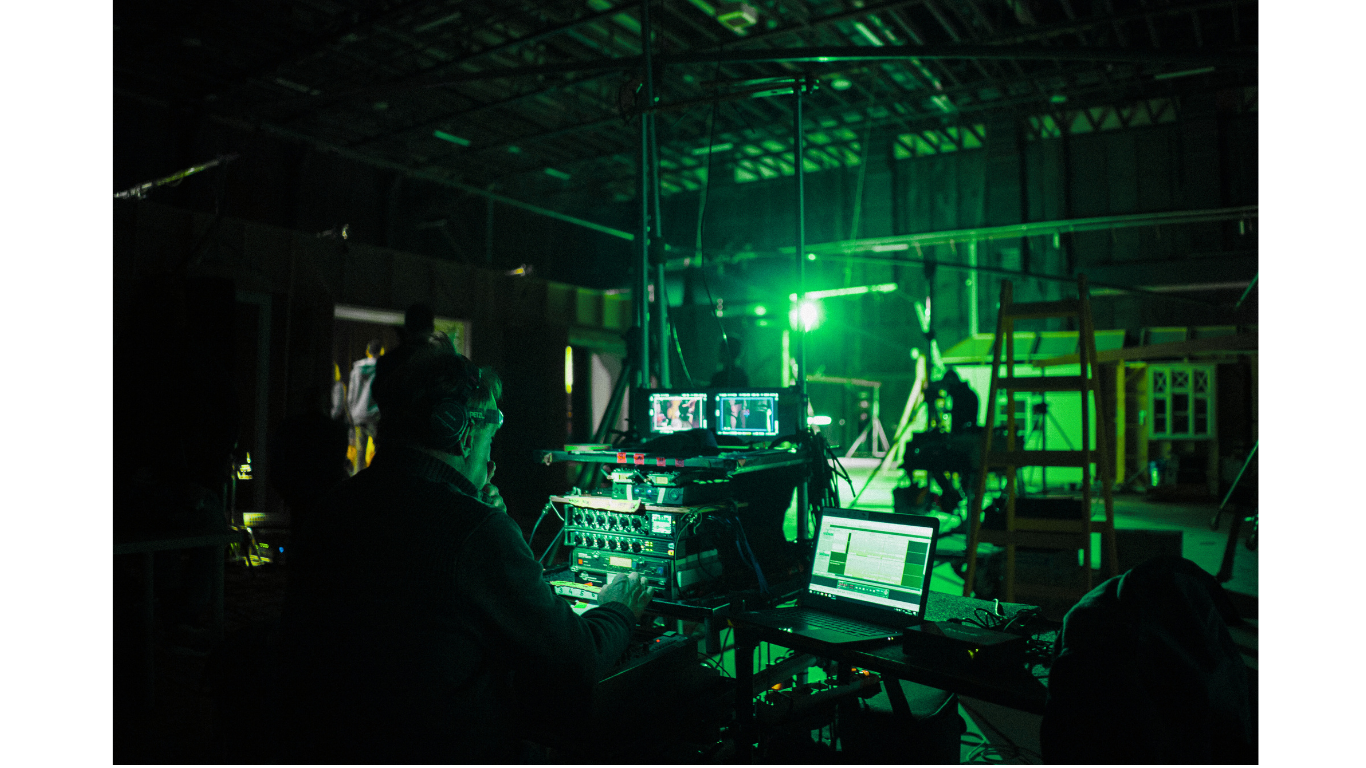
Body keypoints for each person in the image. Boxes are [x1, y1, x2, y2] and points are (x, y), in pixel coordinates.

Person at [279, 334, 653, 763]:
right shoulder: (476, 532)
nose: (490, 463)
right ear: (458, 429)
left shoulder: (332, 509)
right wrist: (618, 608)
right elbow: (576, 660)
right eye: (489, 441)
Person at [346, 339, 382, 470]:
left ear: (368, 351)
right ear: (381, 351)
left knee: (360, 454)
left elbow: (351, 395)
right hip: (375, 416)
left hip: (358, 415)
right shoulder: (381, 368)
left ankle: (357, 483)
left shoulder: (356, 369)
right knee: (379, 451)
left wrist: (351, 413)